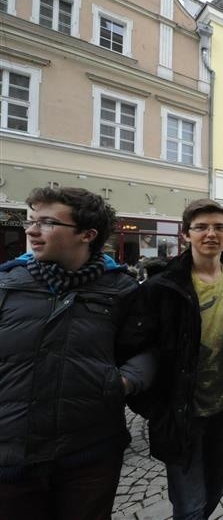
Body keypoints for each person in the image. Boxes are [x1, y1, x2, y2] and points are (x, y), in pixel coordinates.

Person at [0, 187, 151, 519]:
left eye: (47, 223)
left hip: (90, 455)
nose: (31, 230)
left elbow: (147, 351)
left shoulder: (121, 290)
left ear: (87, 234)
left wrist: (122, 382)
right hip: (12, 457)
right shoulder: (7, 283)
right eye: (32, 220)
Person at [127, 199, 223, 519]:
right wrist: (156, 409)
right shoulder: (163, 287)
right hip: (182, 413)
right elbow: (136, 347)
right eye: (201, 227)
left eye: (219, 227)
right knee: (190, 506)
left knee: (217, 489)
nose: (210, 234)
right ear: (186, 234)